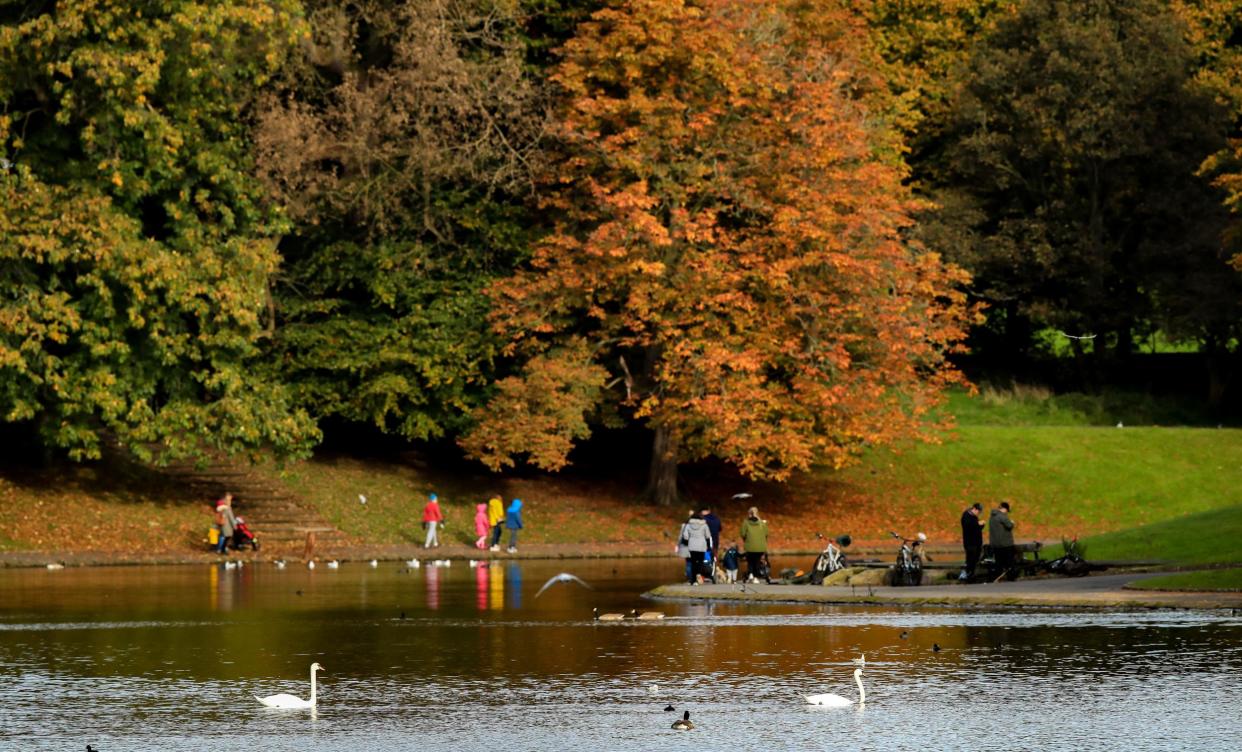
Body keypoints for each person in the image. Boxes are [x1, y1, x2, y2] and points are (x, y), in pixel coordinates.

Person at [739, 506, 771, 583]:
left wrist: (746, 540)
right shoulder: (762, 523)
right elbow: (767, 533)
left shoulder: (746, 523)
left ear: (749, 513)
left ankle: (750, 574)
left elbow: (742, 533)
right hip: (760, 547)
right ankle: (756, 577)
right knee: (757, 561)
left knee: (750, 561)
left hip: (749, 546)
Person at [681, 511, 713, 584]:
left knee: (693, 563)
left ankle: (693, 580)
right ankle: (699, 575)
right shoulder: (704, 525)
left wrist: (688, 541)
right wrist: (708, 546)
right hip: (702, 546)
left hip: (692, 546)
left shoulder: (688, 525)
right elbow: (708, 536)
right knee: (701, 562)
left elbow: (685, 536)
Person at [989, 501, 1016, 579]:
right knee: (1009, 562)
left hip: (995, 544)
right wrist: (1012, 522)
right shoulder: (1002, 516)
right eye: (1007, 511)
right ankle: (1011, 577)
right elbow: (1009, 526)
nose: (1007, 513)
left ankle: (998, 576)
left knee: (998, 562)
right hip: (1005, 543)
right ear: (1004, 509)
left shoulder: (992, 516)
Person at [959, 502, 984, 581]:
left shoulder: (974, 517)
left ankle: (971, 574)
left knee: (975, 559)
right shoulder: (966, 516)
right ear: (974, 509)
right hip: (970, 542)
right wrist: (978, 524)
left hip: (977, 542)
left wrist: (981, 525)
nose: (979, 514)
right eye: (978, 512)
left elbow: (977, 529)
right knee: (970, 559)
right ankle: (968, 575)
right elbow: (969, 527)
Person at [701, 505, 722, 575]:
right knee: (714, 558)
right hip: (715, 541)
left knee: (705, 558)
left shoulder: (703, 519)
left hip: (705, 542)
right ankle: (714, 572)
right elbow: (720, 529)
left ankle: (705, 574)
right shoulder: (716, 518)